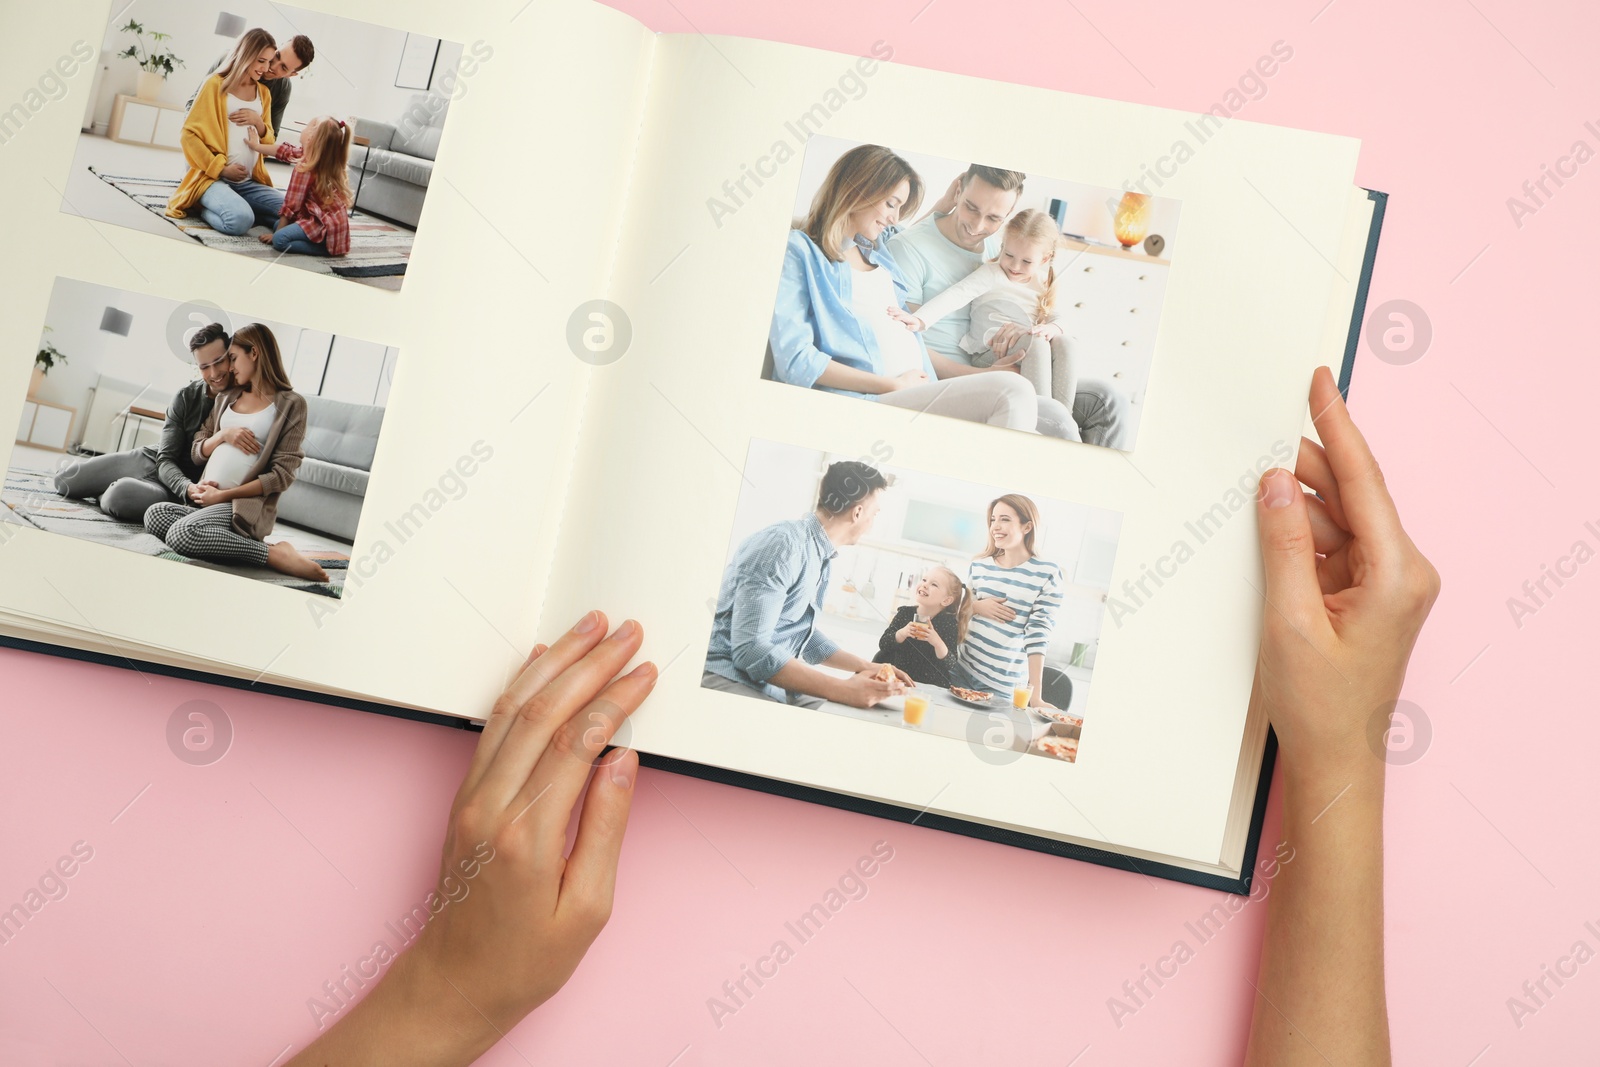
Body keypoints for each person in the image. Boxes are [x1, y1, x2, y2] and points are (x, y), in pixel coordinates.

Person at [282, 367, 1436, 1064]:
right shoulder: (826, 558)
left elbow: (841, 645)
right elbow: (766, 652)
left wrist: (446, 998)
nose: (943, 551)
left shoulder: (866, 565)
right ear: (858, 507)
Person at [768, 145, 1043, 432]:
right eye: (891, 204)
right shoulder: (801, 252)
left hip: (922, 390)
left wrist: (947, 203)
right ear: (857, 189)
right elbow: (796, 361)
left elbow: (911, 235)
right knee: (1014, 390)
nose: (895, 217)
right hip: (874, 397)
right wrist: (892, 384)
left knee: (1052, 414)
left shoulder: (876, 249)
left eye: (900, 208)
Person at [888, 163, 1129, 448]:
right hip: (955, 379)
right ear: (958, 190)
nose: (977, 227)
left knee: (1108, 399)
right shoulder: (908, 250)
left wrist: (1044, 331)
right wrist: (986, 375)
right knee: (1053, 415)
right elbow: (906, 343)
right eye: (971, 208)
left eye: (993, 218)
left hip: (1012, 365)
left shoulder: (1002, 249)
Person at [701, 459, 913, 709]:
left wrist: (865, 666)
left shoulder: (817, 553)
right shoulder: (784, 545)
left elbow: (799, 632)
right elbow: (751, 649)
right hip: (728, 676)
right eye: (874, 514)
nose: (872, 524)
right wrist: (843, 689)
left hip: (765, 682)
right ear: (857, 513)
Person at [142, 323, 328, 582]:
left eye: (232, 358)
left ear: (254, 353)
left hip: (238, 506)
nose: (228, 368)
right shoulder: (226, 397)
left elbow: (281, 476)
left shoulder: (292, 404)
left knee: (181, 534)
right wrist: (222, 436)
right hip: (205, 500)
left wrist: (224, 495)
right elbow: (197, 450)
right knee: (155, 514)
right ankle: (237, 542)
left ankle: (272, 555)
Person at [890, 208, 1075, 416]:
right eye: (1009, 255)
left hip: (1026, 351)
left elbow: (1062, 317)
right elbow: (956, 295)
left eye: (1026, 261)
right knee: (1038, 343)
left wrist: (1052, 327)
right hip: (988, 353)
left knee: (1066, 342)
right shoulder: (992, 273)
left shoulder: (1043, 283)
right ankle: (1043, 420)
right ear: (1002, 246)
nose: (1014, 266)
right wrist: (920, 319)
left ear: (1044, 259)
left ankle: (1063, 418)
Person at [53, 323, 234, 522]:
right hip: (150, 460)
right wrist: (188, 487)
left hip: (173, 491)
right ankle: (111, 484)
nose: (214, 373)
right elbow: (165, 459)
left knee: (117, 498)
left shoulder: (245, 401)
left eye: (219, 361)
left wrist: (188, 489)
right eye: (204, 367)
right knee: (64, 481)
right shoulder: (185, 396)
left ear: (230, 356)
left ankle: (107, 490)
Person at [166, 28, 287, 237]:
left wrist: (259, 123)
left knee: (290, 212)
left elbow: (268, 144)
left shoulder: (264, 94)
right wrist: (221, 169)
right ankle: (201, 206)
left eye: (268, 61)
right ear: (246, 54)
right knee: (240, 221)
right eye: (261, 61)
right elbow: (188, 135)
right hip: (213, 178)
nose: (266, 68)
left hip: (249, 182)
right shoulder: (214, 84)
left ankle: (242, 206)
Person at [951, 494, 1063, 707]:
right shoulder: (979, 565)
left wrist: (1036, 696)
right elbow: (957, 614)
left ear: (1027, 527)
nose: (995, 526)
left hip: (1003, 687)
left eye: (1005, 519)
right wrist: (976, 607)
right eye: (993, 519)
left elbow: (1039, 633)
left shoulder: (1047, 573)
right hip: (960, 670)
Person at [244, 115, 353, 256]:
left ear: (311, 138)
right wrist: (256, 146)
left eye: (308, 126)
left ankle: (326, 249)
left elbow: (291, 205)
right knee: (279, 224)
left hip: (323, 226)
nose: (304, 128)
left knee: (279, 239)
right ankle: (321, 242)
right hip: (326, 222)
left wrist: (276, 234)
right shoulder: (313, 155)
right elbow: (283, 151)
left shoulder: (305, 167)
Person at [186, 34, 315, 142]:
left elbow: (271, 137)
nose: (272, 66)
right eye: (277, 56)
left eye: (283, 68)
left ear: (291, 75)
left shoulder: (282, 89)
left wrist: (259, 122)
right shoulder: (228, 60)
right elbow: (193, 105)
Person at [872, 565, 971, 686]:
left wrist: (937, 642)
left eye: (934, 584)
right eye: (924, 580)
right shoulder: (904, 613)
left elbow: (950, 663)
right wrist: (902, 633)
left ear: (946, 600)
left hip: (930, 685)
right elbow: (884, 644)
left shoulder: (948, 623)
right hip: (898, 680)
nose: (925, 585)